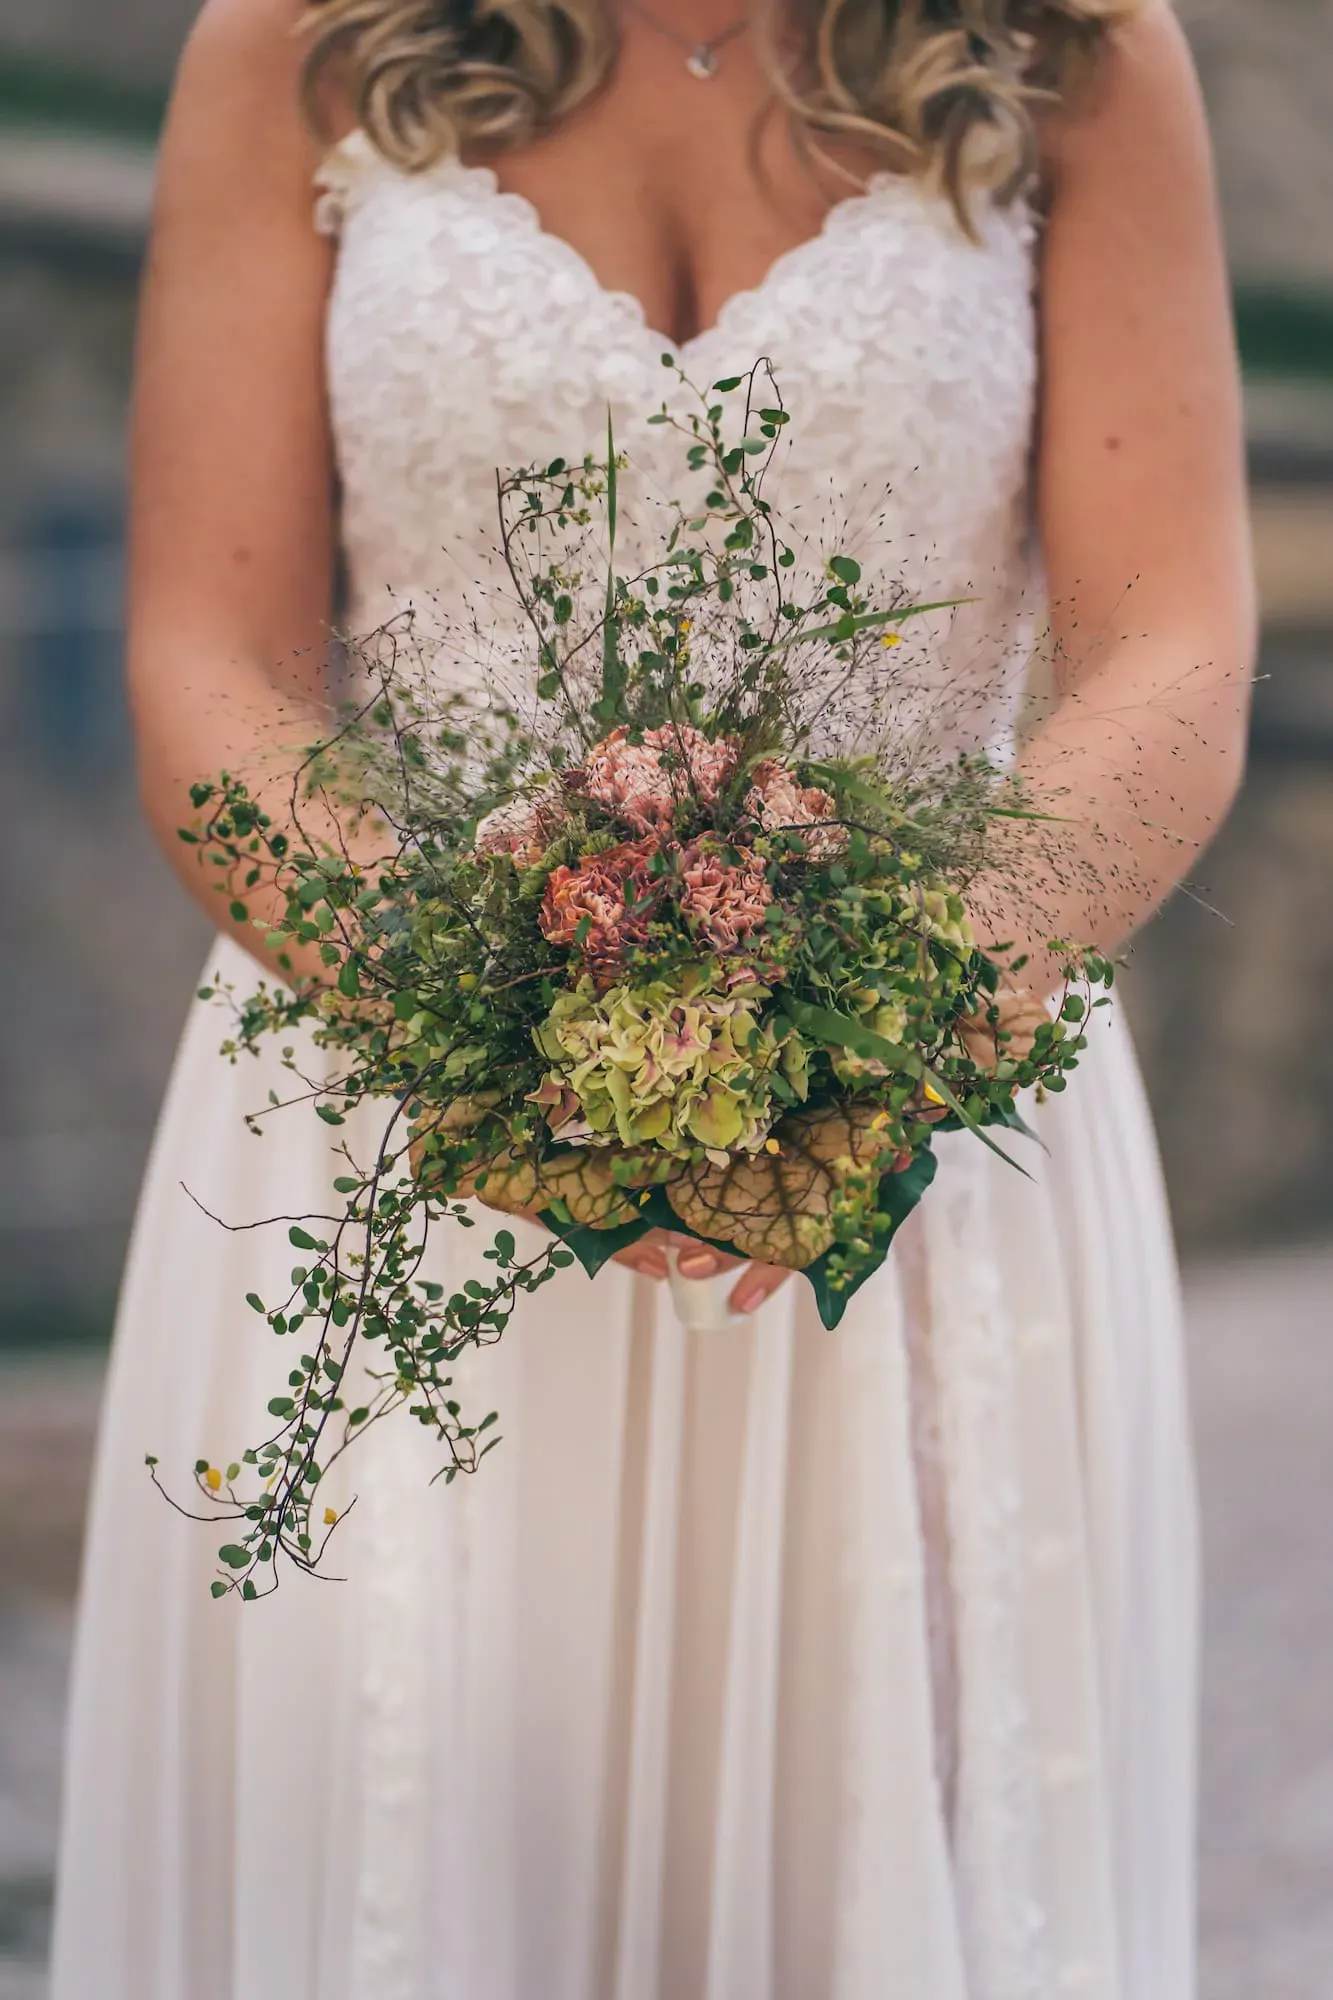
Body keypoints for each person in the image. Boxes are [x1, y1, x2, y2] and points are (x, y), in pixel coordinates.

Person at [51, 1, 1253, 1994]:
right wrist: (498, 1032)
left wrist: (878, 1026)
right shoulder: (298, 41)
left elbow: (1177, 653)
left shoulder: (1078, 47)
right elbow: (210, 668)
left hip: (918, 1165)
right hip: (402, 1149)